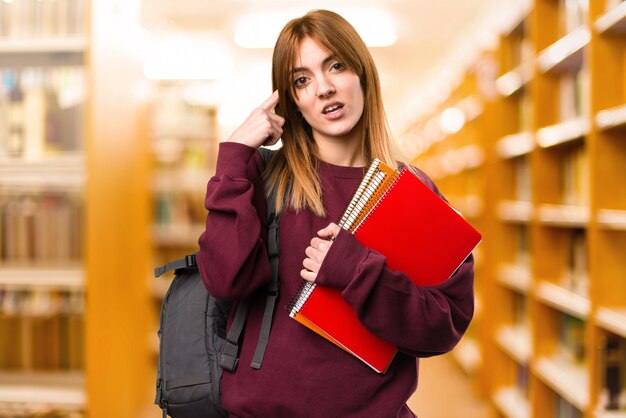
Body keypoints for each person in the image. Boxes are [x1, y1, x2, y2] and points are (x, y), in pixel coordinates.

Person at [197, 9, 475, 418]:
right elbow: (224, 279)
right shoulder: (262, 179)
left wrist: (358, 270)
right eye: (302, 80)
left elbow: (443, 326)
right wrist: (235, 155)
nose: (323, 89)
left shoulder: (413, 192)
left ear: (361, 73)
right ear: (292, 100)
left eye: (336, 66)